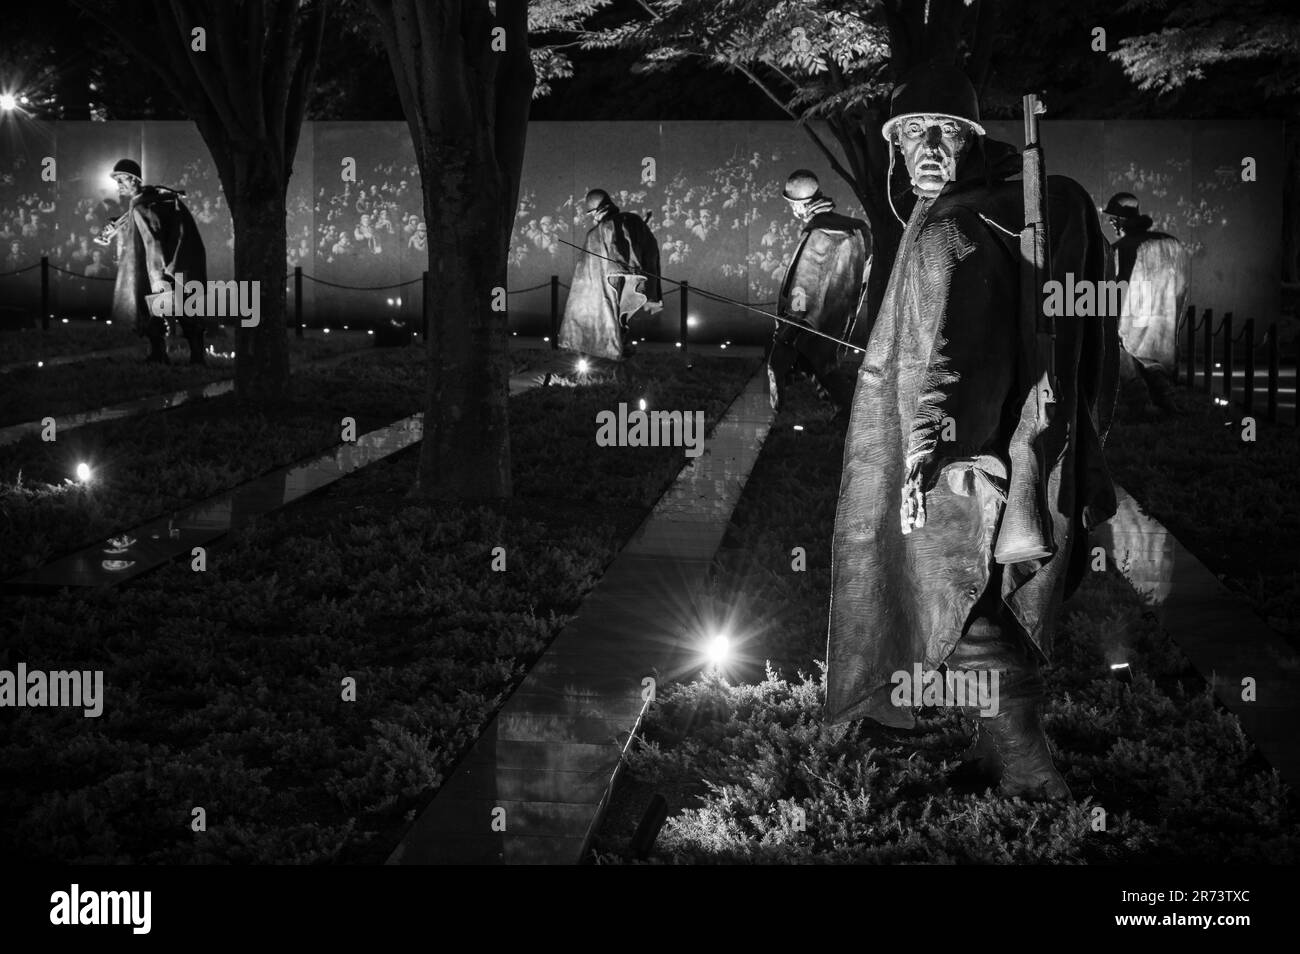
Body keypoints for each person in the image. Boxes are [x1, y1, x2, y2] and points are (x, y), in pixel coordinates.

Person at [825, 62, 1120, 801]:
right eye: (910, 135)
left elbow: (961, 350)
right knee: (980, 595)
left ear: (969, 137)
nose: (926, 147)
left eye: (943, 132)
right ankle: (996, 749)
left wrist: (930, 447)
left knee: (964, 600)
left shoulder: (956, 226)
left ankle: (1025, 763)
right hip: (1003, 443)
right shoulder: (982, 208)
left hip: (969, 457)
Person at [766, 169, 870, 414]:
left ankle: (839, 412)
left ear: (801, 205)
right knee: (819, 366)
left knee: (783, 360)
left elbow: (803, 284)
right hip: (838, 316)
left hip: (810, 319)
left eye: (793, 205)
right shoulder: (855, 229)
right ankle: (839, 412)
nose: (793, 211)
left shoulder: (818, 234)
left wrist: (789, 323)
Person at [106, 159, 208, 364]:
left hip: (158, 270)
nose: (119, 186)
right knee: (157, 313)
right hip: (158, 268)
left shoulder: (146, 204)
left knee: (176, 310)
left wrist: (158, 274)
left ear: (134, 180)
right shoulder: (145, 201)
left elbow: (154, 240)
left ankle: (195, 356)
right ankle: (160, 353)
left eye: (122, 180)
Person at [1103, 192, 1189, 415]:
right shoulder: (1171, 245)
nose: (1111, 222)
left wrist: (1111, 320)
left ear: (1120, 220)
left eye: (1114, 218)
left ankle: (1141, 405)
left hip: (1130, 320)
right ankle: (1166, 402)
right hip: (1160, 320)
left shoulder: (1122, 248)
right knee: (1152, 363)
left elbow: (1117, 287)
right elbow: (1181, 287)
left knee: (1126, 362)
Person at [558, 189, 662, 361]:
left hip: (613, 281)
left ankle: (612, 349)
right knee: (616, 317)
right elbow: (649, 251)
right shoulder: (630, 221)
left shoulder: (599, 231)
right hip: (625, 279)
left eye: (592, 213)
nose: (593, 217)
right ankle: (616, 347)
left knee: (612, 315)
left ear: (599, 209)